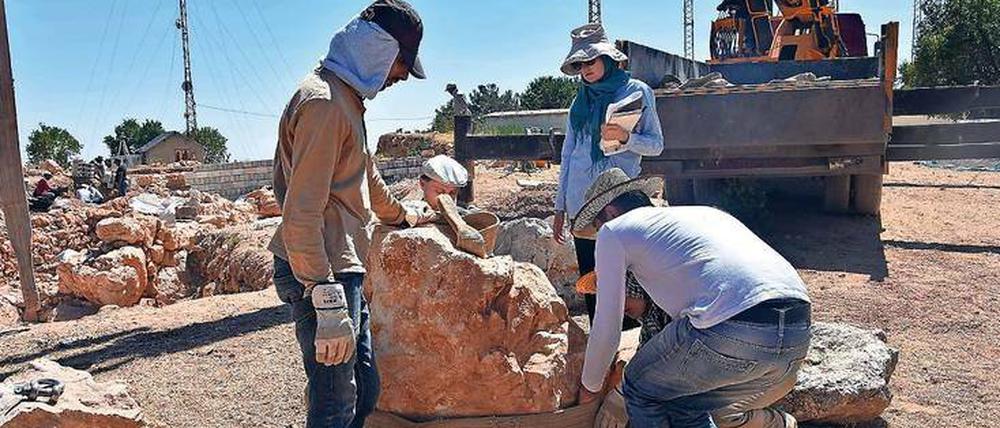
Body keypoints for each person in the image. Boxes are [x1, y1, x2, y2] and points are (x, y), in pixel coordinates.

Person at [267, 2, 434, 427]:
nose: (399, 76)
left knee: (364, 390)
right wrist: (325, 300)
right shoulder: (324, 105)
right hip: (321, 271)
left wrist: (404, 216)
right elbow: (301, 213)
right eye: (400, 64)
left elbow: (366, 177)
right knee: (334, 403)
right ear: (379, 51)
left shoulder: (346, 101)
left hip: (343, 267)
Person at [573, 168, 811, 428]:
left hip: (733, 327)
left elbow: (607, 329)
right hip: (797, 331)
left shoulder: (614, 231)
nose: (599, 234)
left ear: (608, 213)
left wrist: (589, 390)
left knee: (639, 388)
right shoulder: (704, 215)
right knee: (686, 403)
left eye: (596, 226)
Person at [552, 23, 664, 325]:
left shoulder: (637, 92)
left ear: (608, 58)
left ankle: (630, 353)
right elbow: (568, 154)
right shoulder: (580, 102)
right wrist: (560, 208)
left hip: (619, 206)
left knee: (629, 283)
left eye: (590, 60)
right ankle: (602, 354)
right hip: (581, 207)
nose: (585, 69)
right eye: (579, 64)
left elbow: (656, 145)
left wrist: (627, 139)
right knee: (593, 282)